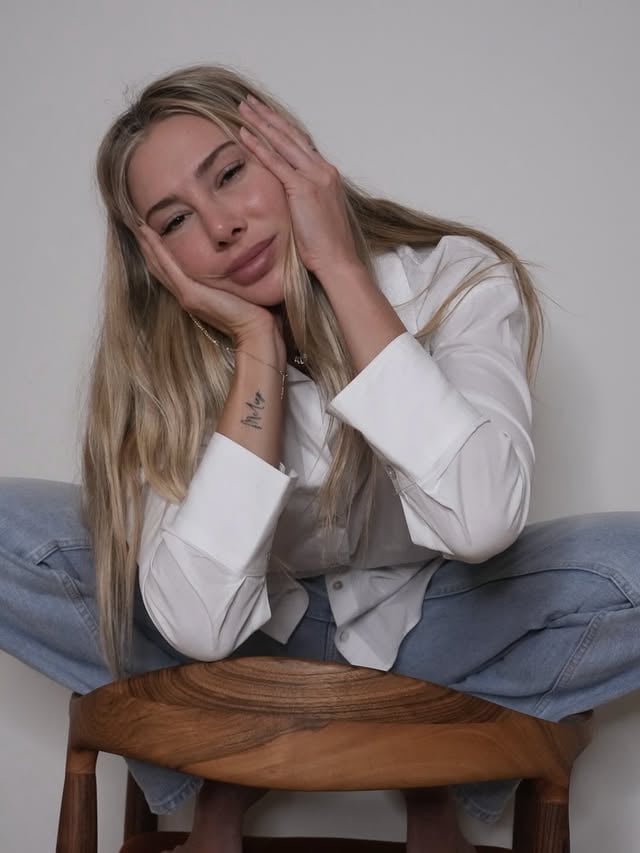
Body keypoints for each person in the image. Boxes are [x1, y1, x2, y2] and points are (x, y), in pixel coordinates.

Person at [1, 64, 639, 853]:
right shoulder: (163, 355)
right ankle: (271, 757)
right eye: (177, 219)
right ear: (154, 256)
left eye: (230, 174)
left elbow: (481, 521)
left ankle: (408, 755)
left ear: (293, 157)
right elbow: (199, 623)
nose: (222, 226)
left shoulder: (454, 277)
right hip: (248, 639)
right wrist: (257, 349)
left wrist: (340, 269)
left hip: (437, 624)